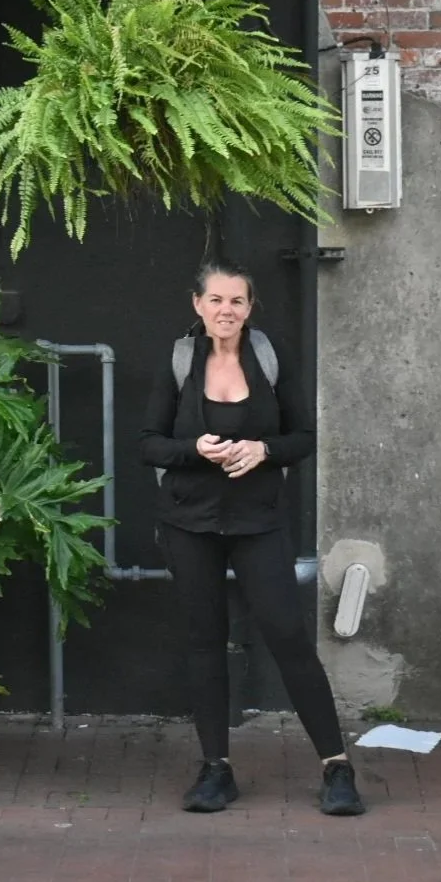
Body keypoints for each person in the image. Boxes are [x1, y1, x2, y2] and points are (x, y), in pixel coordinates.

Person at [139, 258, 364, 816]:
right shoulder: (179, 357)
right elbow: (149, 442)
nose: (226, 311)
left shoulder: (269, 356)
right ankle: (216, 768)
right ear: (198, 305)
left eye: (237, 301)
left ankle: (337, 767)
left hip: (259, 519)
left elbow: (303, 436)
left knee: (288, 635)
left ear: (249, 308)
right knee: (204, 640)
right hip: (189, 521)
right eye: (216, 300)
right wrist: (197, 450)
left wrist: (263, 450)